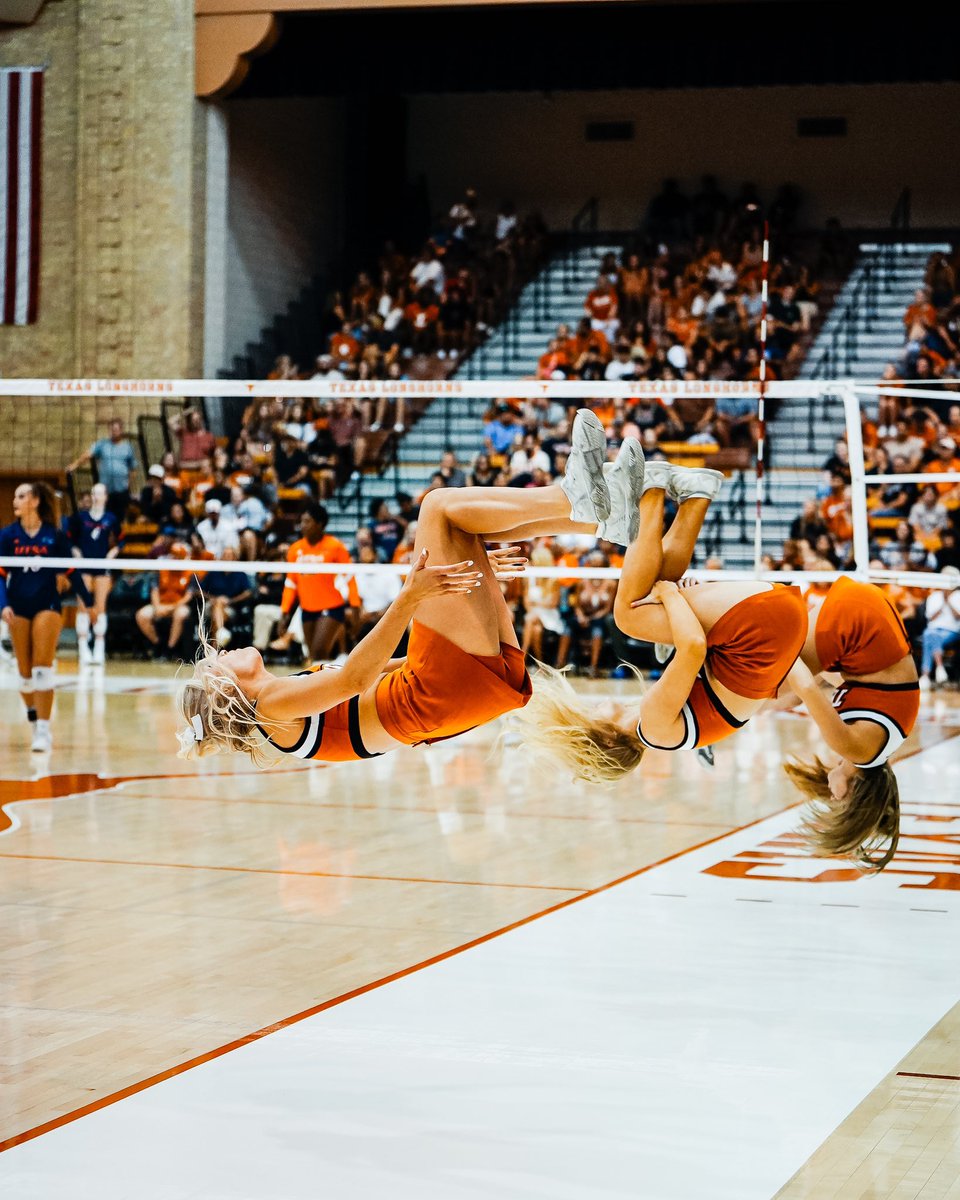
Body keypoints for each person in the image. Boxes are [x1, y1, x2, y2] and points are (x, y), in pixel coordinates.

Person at [174, 412, 646, 768]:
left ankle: (606, 516)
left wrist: (473, 582)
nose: (222, 647)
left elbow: (380, 669)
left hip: (441, 696)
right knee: (437, 506)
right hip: (432, 696)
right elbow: (355, 680)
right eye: (214, 658)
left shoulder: (281, 698)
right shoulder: (270, 708)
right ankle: (575, 501)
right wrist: (411, 597)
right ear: (222, 691)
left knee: (465, 533)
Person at [515, 454, 811, 788]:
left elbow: (709, 665)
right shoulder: (653, 726)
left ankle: (697, 495)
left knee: (655, 598)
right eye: (591, 720)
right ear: (610, 740)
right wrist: (670, 596)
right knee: (628, 615)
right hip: (763, 628)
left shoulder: (666, 732)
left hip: (778, 629)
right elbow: (694, 648)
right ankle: (649, 490)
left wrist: (682, 602)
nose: (590, 709)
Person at [779, 574, 921, 872]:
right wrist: (775, 650)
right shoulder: (853, 747)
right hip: (862, 623)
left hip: (877, 616)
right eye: (838, 803)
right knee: (764, 683)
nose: (831, 797)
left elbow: (837, 679)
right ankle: (694, 637)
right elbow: (805, 684)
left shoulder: (882, 746)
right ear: (853, 794)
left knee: (775, 695)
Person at [0, 482, 92, 752]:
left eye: (21, 495)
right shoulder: (7, 536)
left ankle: (43, 730)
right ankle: (32, 711)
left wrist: (88, 603)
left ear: (35, 500)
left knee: (42, 669)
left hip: (47, 605)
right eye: (14, 495)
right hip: (17, 606)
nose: (15, 500)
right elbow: (0, 574)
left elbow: (73, 571)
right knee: (25, 675)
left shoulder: (54, 536)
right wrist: (3, 604)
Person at [68, 482, 119, 665]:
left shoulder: (111, 518)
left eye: (99, 493)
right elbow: (69, 539)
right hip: (84, 566)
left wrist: (113, 552)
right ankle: (83, 647)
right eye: (93, 493)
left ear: (105, 497)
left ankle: (99, 647)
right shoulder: (80, 517)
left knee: (100, 606)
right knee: (83, 605)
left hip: (101, 566)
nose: (96, 497)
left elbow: (121, 539)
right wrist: (76, 552)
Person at [67, 418, 137, 519]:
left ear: (121, 430)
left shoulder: (127, 447)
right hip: (106, 490)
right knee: (105, 516)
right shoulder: (102, 444)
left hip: (122, 490)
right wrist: (75, 464)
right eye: (111, 430)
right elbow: (88, 454)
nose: (113, 432)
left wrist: (128, 483)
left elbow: (133, 468)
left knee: (121, 517)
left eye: (116, 430)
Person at [918, 569, 960, 690]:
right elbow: (930, 618)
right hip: (934, 629)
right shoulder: (934, 596)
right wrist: (943, 603)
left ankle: (925, 675)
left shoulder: (958, 596)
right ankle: (940, 667)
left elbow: (958, 616)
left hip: (952, 631)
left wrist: (949, 602)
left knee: (929, 635)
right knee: (930, 634)